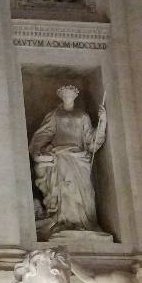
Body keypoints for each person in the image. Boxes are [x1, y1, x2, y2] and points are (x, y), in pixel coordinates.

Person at [29, 85, 106, 238]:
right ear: (61, 97)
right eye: (65, 95)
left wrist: (102, 122)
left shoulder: (83, 116)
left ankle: (83, 223)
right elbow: (42, 135)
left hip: (79, 159)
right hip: (61, 157)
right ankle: (64, 222)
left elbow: (91, 141)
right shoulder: (54, 115)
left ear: (75, 96)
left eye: (70, 95)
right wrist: (37, 151)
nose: (68, 97)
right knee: (65, 189)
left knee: (84, 192)